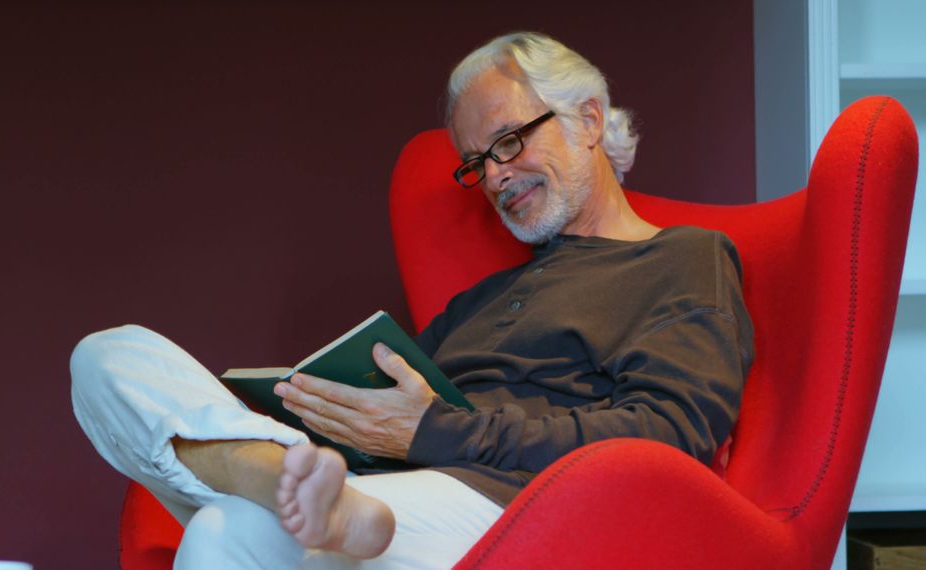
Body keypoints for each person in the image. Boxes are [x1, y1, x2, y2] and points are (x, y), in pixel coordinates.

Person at [70, 31, 753, 569]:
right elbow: (388, 422)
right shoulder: (481, 301)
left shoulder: (682, 258)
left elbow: (669, 439)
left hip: (513, 511)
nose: (494, 176)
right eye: (477, 162)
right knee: (107, 357)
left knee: (229, 527)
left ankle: (275, 488)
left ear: (590, 120)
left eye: (509, 141)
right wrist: (323, 414)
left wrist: (428, 432)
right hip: (381, 491)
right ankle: (276, 474)